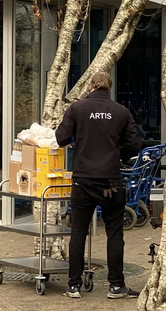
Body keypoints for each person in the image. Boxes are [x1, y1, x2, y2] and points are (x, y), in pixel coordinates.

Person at [55, 71, 142, 299]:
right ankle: (116, 286)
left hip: (82, 180)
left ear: (91, 86)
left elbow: (60, 138)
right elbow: (135, 144)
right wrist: (116, 154)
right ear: (109, 88)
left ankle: (73, 285)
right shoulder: (121, 111)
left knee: (78, 232)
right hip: (110, 181)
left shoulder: (77, 109)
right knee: (114, 233)